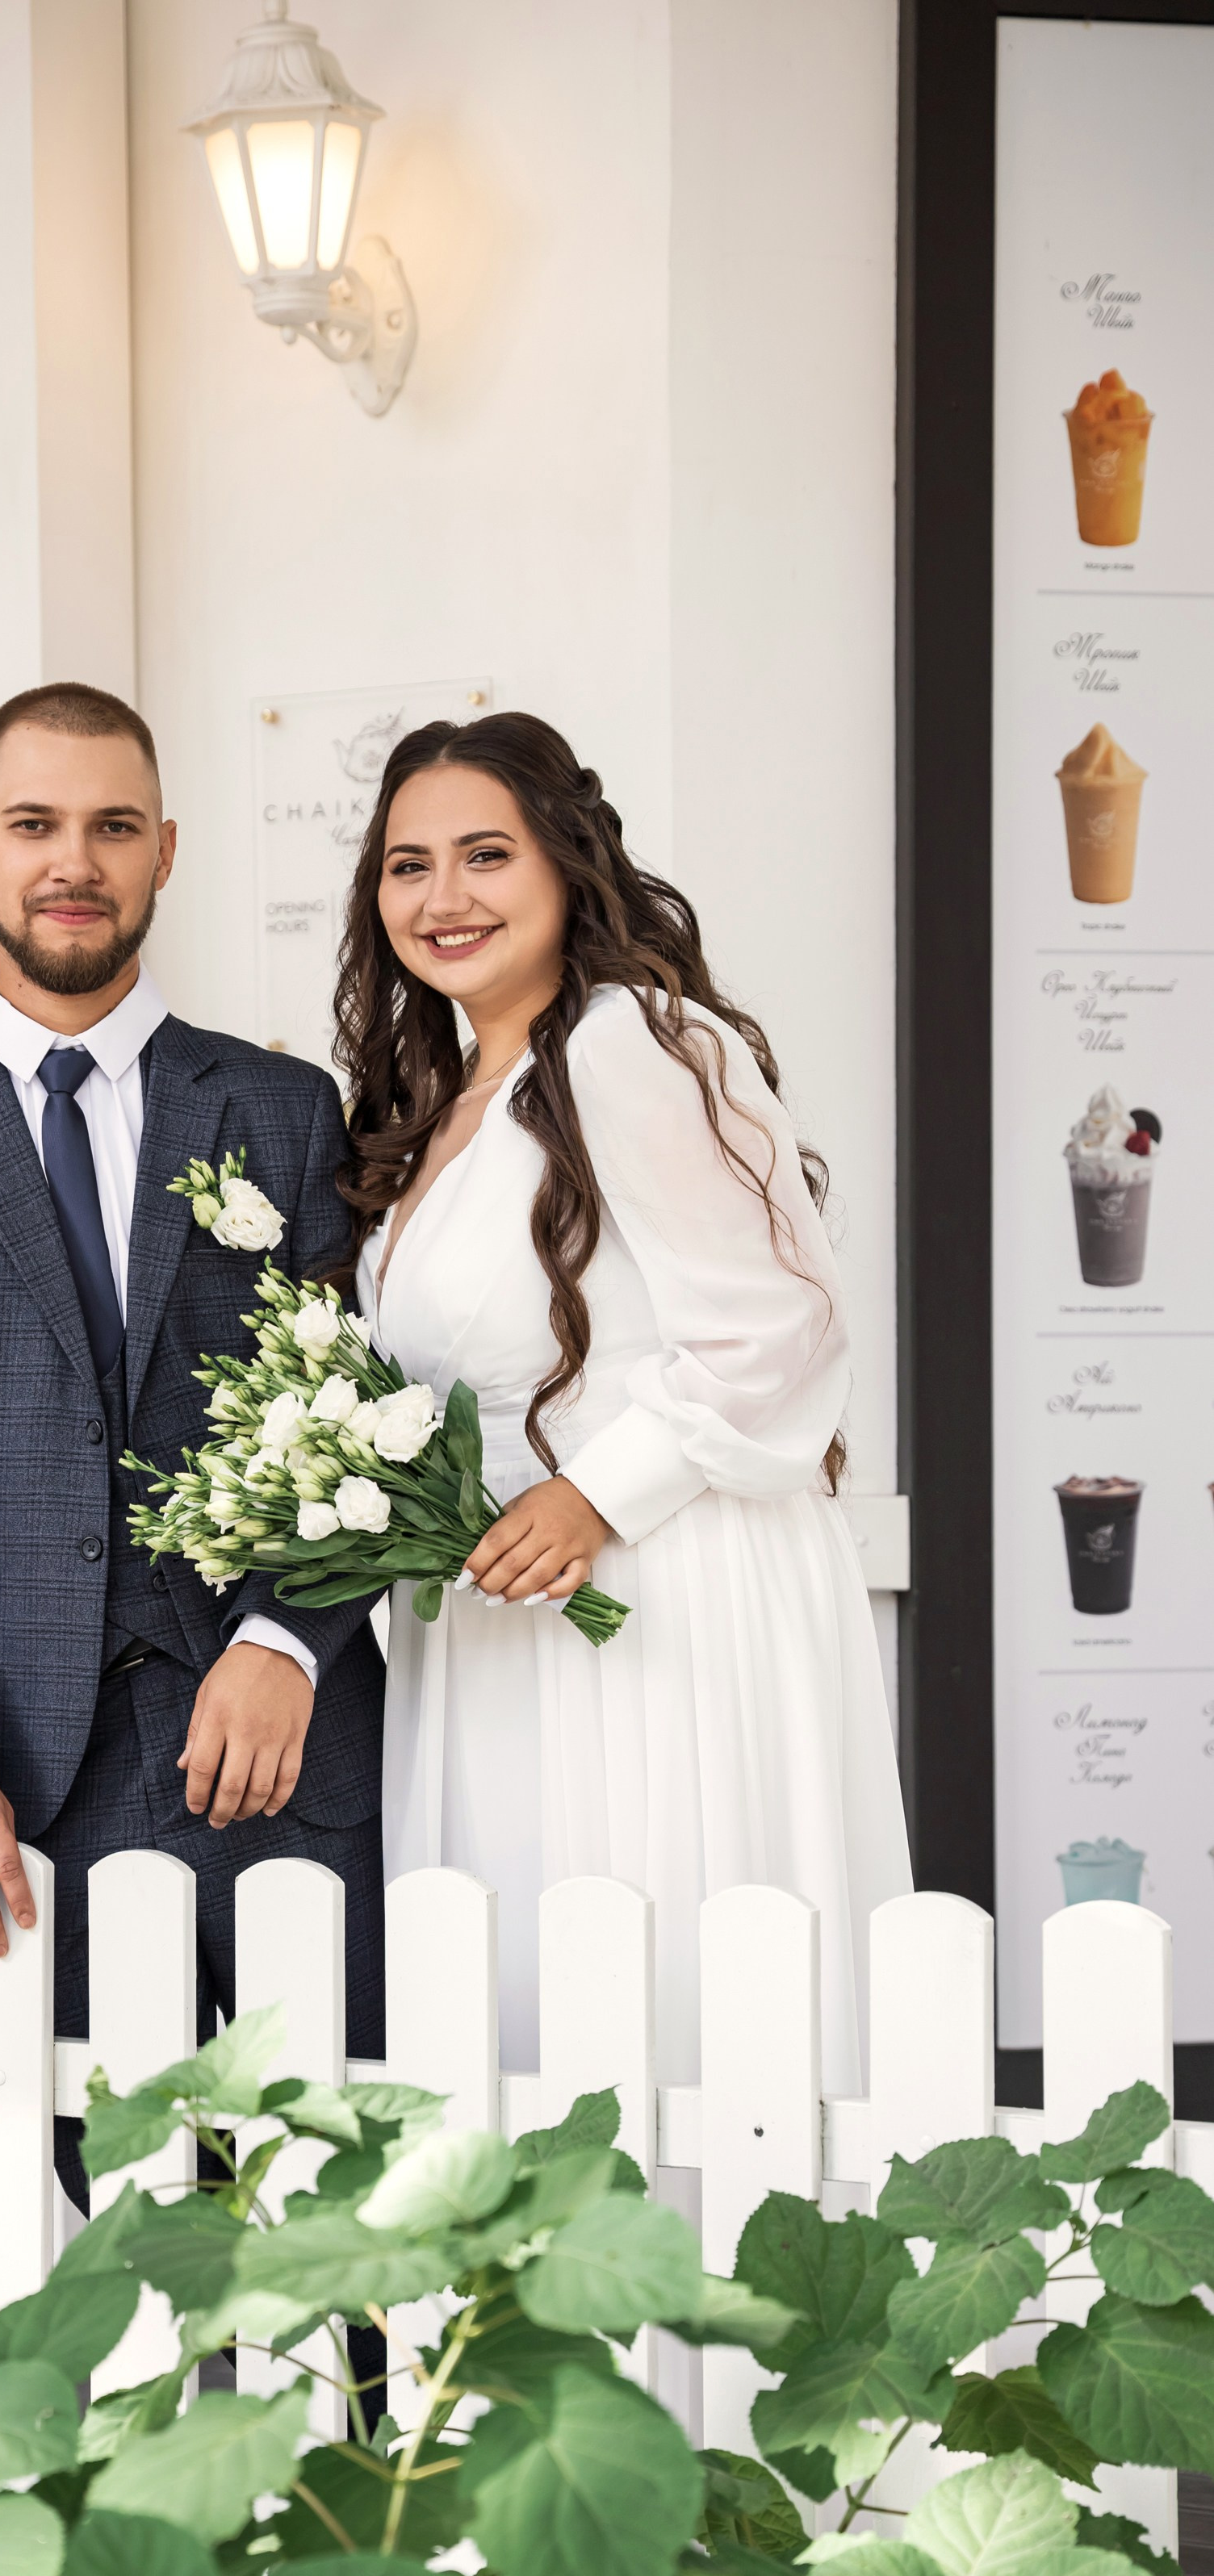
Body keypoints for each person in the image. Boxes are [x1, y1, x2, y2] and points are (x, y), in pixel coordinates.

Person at [0, 683, 385, 2206]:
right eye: (35, 824)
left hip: (276, 1752)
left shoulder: (281, 1107)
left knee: (352, 2205)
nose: (73, 862)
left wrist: (284, 1637)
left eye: (112, 826)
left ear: (164, 852)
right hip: (25, 1774)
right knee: (129, 2205)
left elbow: (359, 1417)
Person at [336, 711, 910, 2093]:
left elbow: (781, 1320)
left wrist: (598, 1495)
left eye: (485, 854)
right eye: (409, 866)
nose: (443, 896)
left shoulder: (627, 1045)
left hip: (657, 1596)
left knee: (668, 1997)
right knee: (521, 2009)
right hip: (496, 1619)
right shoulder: (440, 1099)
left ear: (566, 861)